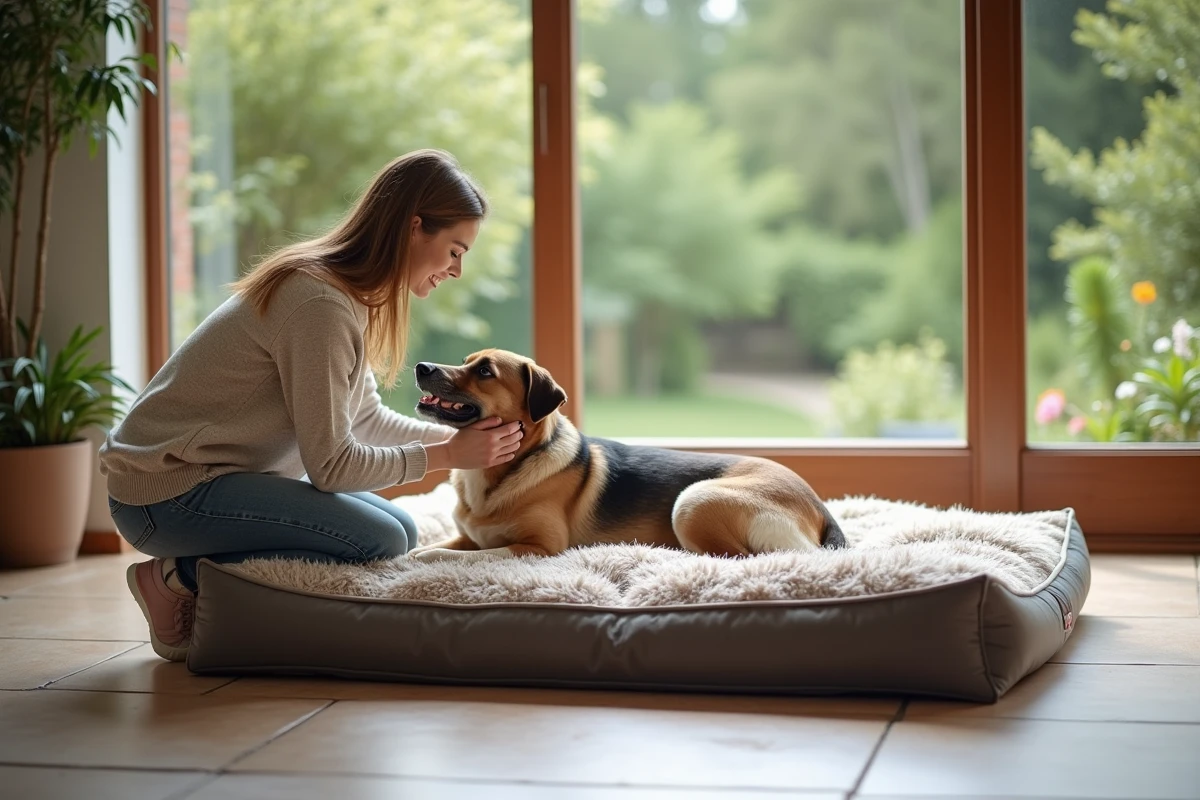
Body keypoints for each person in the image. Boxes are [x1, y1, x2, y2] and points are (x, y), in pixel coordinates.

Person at [99, 149, 523, 662]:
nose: (457, 269)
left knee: (403, 530)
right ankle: (175, 576)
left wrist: (484, 444)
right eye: (455, 250)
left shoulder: (348, 297)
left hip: (213, 478)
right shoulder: (319, 306)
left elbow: (364, 419)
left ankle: (184, 572)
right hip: (163, 494)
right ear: (415, 228)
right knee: (378, 540)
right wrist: (448, 456)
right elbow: (332, 466)